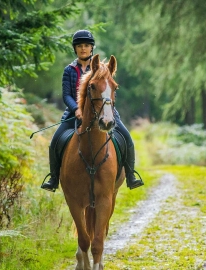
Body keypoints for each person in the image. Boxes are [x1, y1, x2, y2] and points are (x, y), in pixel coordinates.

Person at [41, 29, 144, 192]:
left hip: (104, 111)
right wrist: (76, 109)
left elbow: (108, 90)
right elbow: (67, 95)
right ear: (75, 48)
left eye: (87, 45)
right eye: (80, 45)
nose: (83, 48)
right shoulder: (69, 70)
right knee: (55, 141)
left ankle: (131, 175)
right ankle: (54, 178)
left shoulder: (101, 69)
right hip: (74, 113)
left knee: (127, 138)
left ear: (92, 48)